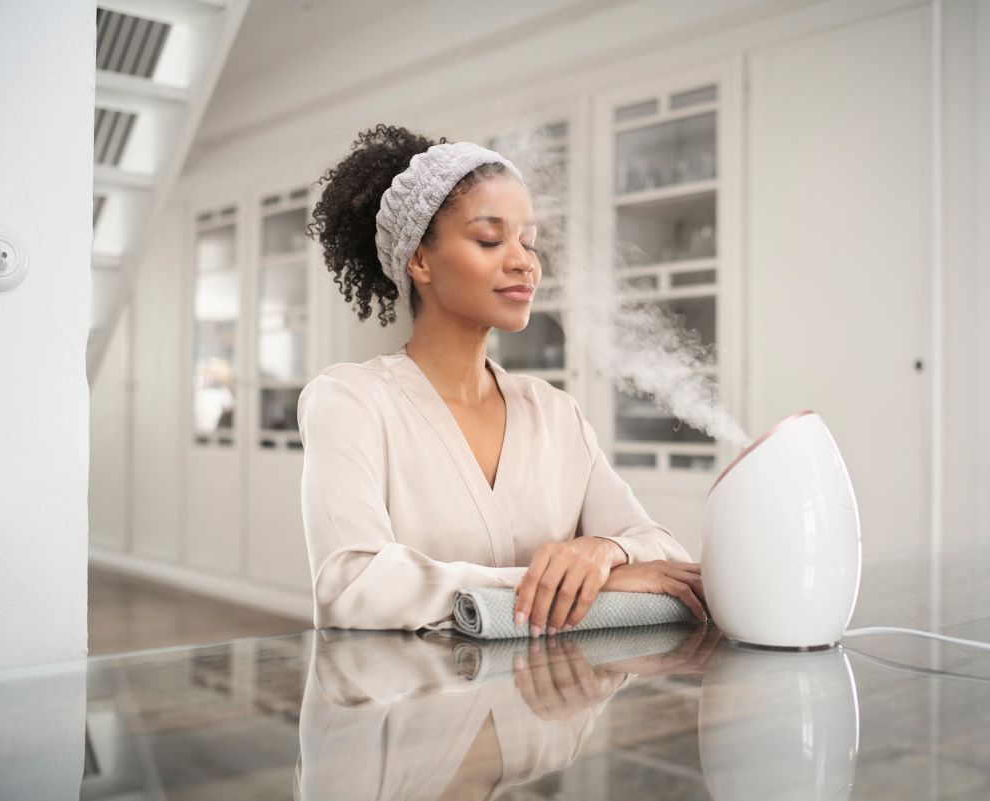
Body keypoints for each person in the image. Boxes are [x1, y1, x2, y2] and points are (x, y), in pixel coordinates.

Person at [299, 124, 706, 635]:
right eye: (490, 240)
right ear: (419, 259)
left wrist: (603, 552)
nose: (524, 262)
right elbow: (352, 586)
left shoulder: (556, 413)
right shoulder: (350, 402)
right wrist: (570, 584)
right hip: (409, 708)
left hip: (550, 704)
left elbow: (666, 556)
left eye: (529, 242)